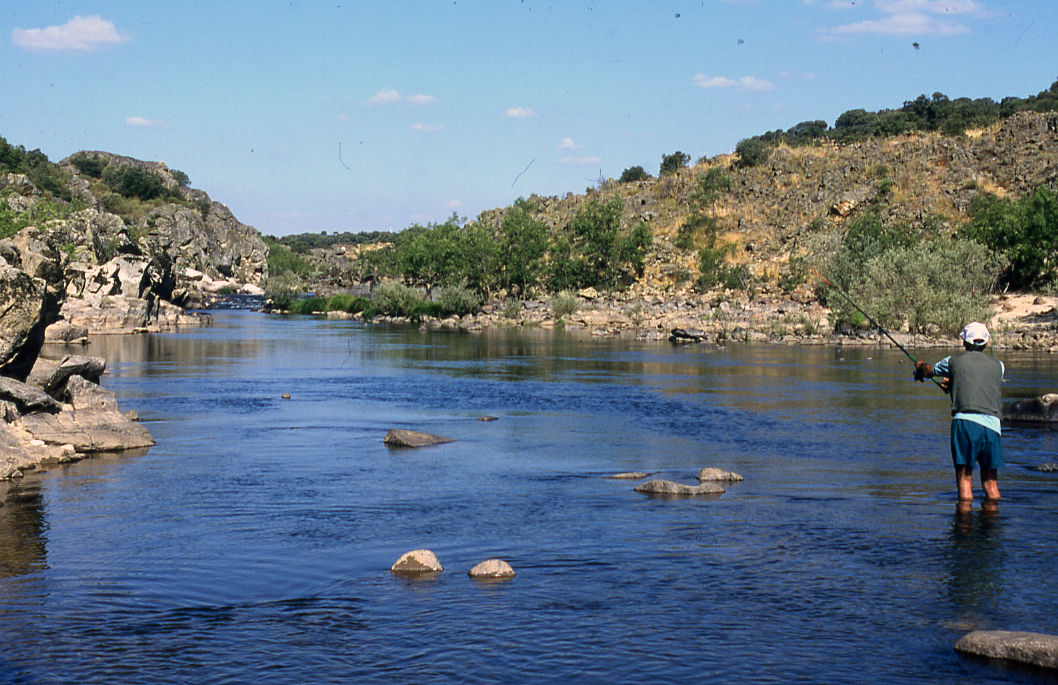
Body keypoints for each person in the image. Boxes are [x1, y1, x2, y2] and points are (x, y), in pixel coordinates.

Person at [914, 322, 1005, 502]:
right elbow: (981, 385)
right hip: (993, 427)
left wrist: (919, 366)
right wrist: (953, 385)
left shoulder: (952, 362)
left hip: (966, 424)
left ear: (964, 342)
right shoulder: (999, 366)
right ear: (986, 344)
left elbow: (928, 371)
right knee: (991, 484)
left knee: (965, 481)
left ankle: (964, 527)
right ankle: (992, 526)